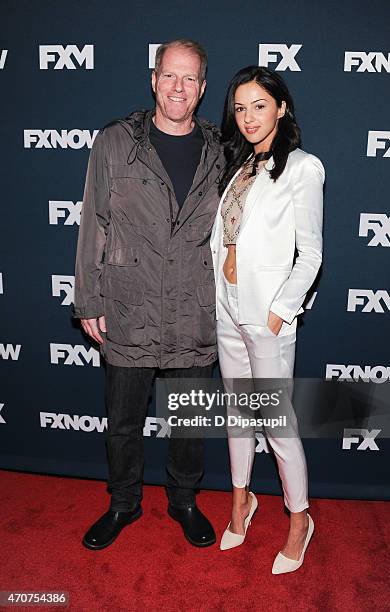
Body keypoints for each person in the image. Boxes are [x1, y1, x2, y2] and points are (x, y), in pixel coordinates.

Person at [73, 39, 224, 550]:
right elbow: (94, 220)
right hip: (129, 303)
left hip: (193, 307)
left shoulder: (220, 149)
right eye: (169, 75)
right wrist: (89, 298)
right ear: (154, 79)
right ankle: (123, 503)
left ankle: (184, 501)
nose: (178, 87)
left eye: (190, 79)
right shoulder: (116, 141)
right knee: (123, 422)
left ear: (202, 88)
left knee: (187, 422)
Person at [210, 66, 324, 573]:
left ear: (281, 108)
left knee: (277, 422)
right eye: (240, 107)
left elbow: (312, 253)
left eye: (259, 105)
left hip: (266, 316)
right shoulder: (238, 167)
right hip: (228, 310)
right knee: (238, 415)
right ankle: (242, 502)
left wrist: (280, 312)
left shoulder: (302, 167)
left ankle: (299, 519)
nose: (248, 117)